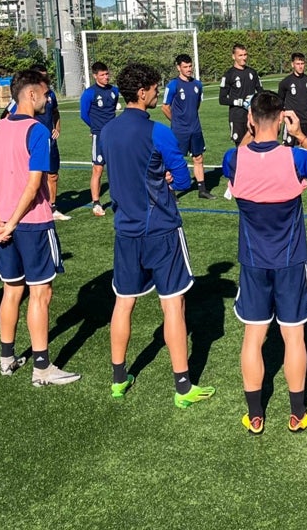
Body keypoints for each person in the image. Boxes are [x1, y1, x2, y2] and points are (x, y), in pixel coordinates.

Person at [102, 63, 215, 407]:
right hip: (161, 230)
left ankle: (119, 379)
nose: (157, 94)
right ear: (142, 93)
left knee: (124, 303)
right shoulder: (159, 131)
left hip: (125, 230)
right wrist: (166, 178)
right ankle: (183, 386)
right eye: (153, 89)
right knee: (173, 305)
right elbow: (182, 181)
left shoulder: (107, 131)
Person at [222, 91, 307, 433]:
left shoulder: (234, 159)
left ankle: (255, 415)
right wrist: (300, 135)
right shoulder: (295, 158)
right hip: (290, 261)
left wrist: (249, 131)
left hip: (254, 263)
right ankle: (297, 414)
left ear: (252, 120)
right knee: (294, 337)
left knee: (253, 337)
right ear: (282, 118)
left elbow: (242, 152)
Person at [0, 69, 80, 386]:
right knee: (40, 294)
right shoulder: (37, 130)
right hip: (33, 224)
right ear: (32, 94)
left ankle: (6, 358)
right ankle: (42, 368)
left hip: (4, 227)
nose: (49, 99)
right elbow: (34, 183)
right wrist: (9, 222)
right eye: (46, 93)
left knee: (11, 291)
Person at [8, 68, 68, 220]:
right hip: (33, 141)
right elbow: (8, 115)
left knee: (53, 174)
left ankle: (52, 207)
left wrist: (57, 128)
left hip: (49, 140)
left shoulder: (51, 96)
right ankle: (33, 207)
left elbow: (55, 112)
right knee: (34, 177)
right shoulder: (21, 100)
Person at [162, 54, 213, 199]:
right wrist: (176, 121)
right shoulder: (173, 85)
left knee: (198, 158)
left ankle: (202, 189)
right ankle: (170, 190)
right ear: (178, 67)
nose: (189, 69)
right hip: (180, 130)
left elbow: (196, 105)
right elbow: (165, 107)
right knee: (175, 159)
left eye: (190, 66)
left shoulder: (198, 85)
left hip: (195, 128)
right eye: (185, 67)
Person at [81, 62, 121, 214]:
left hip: (114, 135)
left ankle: (118, 199)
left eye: (107, 74)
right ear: (95, 76)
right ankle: (96, 202)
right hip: (99, 135)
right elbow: (84, 114)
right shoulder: (89, 93)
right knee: (98, 168)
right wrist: (95, 128)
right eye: (102, 75)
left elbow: (112, 110)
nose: (106, 77)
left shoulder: (114, 91)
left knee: (116, 168)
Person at [278, 53, 307, 184]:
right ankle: (287, 174)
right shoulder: (286, 82)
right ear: (292, 65)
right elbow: (280, 100)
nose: (300, 66)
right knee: (288, 148)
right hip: (291, 122)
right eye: (297, 64)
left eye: (302, 63)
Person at [219, 44, 262, 145]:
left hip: (253, 116)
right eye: (240, 55)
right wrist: (240, 102)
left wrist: (255, 100)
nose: (244, 58)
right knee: (241, 148)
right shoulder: (229, 75)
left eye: (245, 55)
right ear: (233, 56)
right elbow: (222, 99)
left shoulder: (252, 72)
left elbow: (261, 91)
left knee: (255, 146)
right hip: (237, 117)